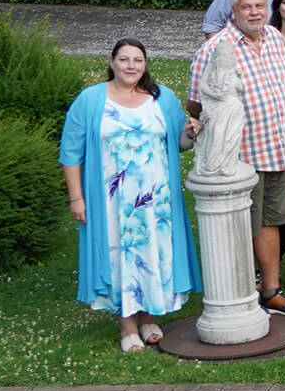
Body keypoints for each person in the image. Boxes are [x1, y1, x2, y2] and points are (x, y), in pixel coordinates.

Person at [61, 39, 202, 350]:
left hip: (156, 199)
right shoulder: (90, 100)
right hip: (110, 201)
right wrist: (76, 198)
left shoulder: (161, 98)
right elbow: (70, 153)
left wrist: (191, 132)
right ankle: (127, 327)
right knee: (118, 255)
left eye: (137, 60)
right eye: (124, 59)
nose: (130, 66)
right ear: (111, 61)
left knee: (155, 253)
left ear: (145, 64)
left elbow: (179, 142)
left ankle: (150, 315)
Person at [189, 0, 285, 317]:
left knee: (272, 223)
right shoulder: (216, 49)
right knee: (243, 227)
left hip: (278, 150)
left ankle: (271, 291)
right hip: (241, 159)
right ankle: (240, 292)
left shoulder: (273, 39)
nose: (255, 12)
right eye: (247, 7)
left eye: (260, 5)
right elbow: (197, 103)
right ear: (233, 11)